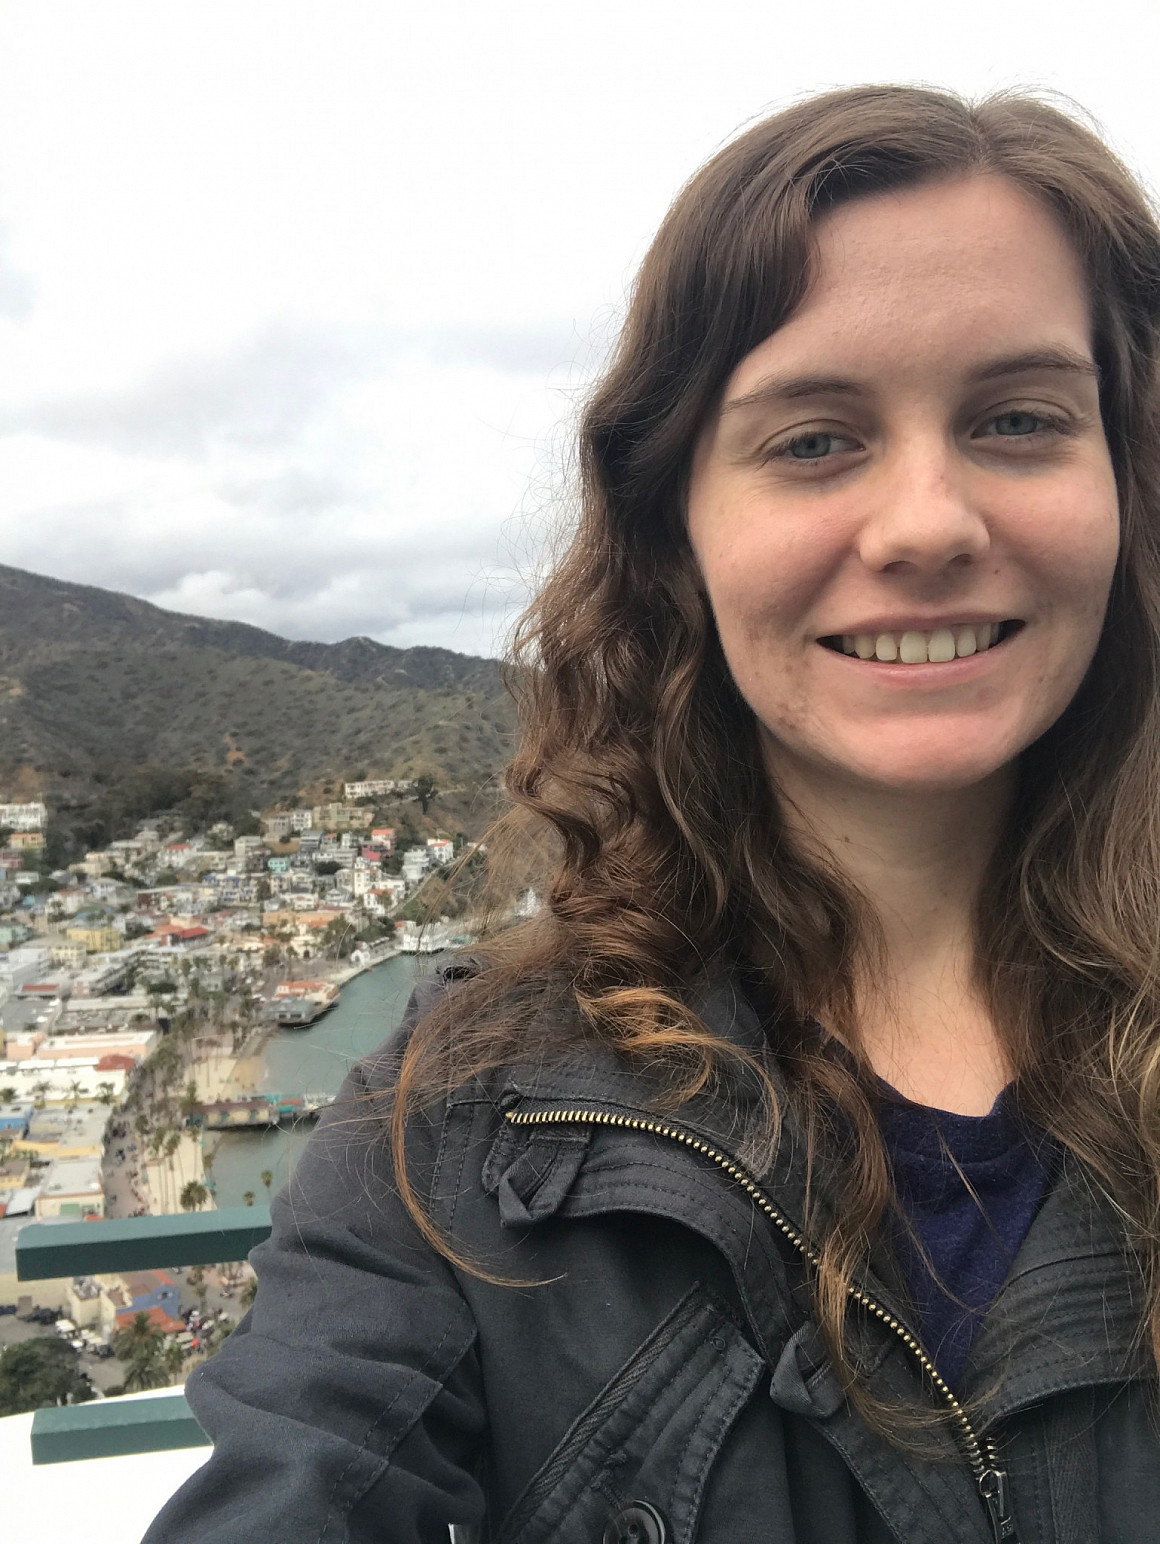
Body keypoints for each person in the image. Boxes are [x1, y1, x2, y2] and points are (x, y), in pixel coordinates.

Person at [144, 85, 1160, 1543]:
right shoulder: (460, 1123)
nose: (929, 524)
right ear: (676, 526)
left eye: (1019, 419)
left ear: (1126, 480)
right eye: (813, 440)